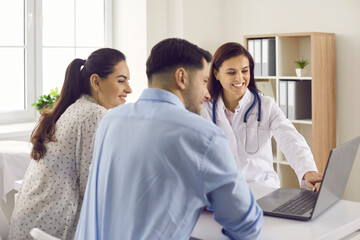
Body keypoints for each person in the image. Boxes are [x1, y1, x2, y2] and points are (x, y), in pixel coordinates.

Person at [75, 38, 263, 240]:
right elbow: (246, 226)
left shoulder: (110, 120)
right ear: (181, 77)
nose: (207, 94)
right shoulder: (204, 136)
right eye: (203, 81)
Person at [8, 48, 132, 240]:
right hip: (48, 231)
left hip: (30, 228)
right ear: (96, 81)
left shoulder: (77, 108)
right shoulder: (93, 114)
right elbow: (92, 188)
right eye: (121, 81)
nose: (129, 89)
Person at [201, 42, 322, 189]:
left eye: (245, 71)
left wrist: (308, 171)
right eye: (231, 72)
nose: (240, 78)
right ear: (216, 73)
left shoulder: (266, 106)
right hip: (222, 192)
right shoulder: (205, 109)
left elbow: (291, 139)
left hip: (263, 190)